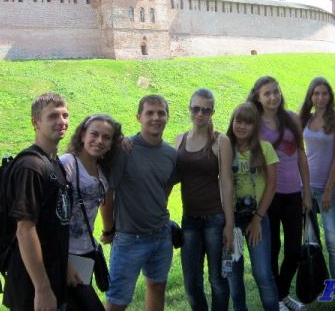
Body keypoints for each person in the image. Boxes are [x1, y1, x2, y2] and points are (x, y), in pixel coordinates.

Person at [100, 94, 177, 311]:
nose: (156, 118)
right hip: (128, 239)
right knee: (117, 300)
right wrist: (108, 230)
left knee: (157, 287)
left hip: (161, 235)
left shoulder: (171, 154)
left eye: (161, 113)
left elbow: (165, 189)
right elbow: (107, 194)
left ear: (167, 117)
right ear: (138, 117)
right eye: (149, 113)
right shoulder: (125, 149)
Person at [3, 92, 74, 311]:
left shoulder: (54, 162)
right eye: (53, 116)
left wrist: (66, 265)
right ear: (35, 122)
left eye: (65, 115)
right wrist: (42, 289)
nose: (61, 121)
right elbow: (25, 229)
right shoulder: (31, 167)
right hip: (32, 288)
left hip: (55, 277)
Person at [247, 76, 312, 311]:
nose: (273, 97)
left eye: (276, 91)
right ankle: (278, 299)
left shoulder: (292, 118)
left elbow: (301, 154)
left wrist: (306, 192)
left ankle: (281, 293)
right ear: (258, 97)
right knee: (272, 249)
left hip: (293, 193)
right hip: (268, 196)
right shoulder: (254, 123)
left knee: (294, 251)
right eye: (267, 93)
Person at [175, 88, 234, 311]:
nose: (200, 114)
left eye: (206, 110)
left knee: (218, 280)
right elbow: (171, 177)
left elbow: (226, 182)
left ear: (212, 113)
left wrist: (229, 224)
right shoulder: (179, 140)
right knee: (191, 284)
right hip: (189, 220)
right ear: (190, 109)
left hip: (215, 220)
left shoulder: (221, 141)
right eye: (196, 109)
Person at [60, 114, 123, 311]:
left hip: (86, 251)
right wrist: (64, 261)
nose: (99, 141)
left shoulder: (101, 168)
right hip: (66, 253)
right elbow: (51, 216)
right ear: (82, 135)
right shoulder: (68, 164)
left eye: (106, 137)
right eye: (94, 134)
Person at [226, 102, 280, 311]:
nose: (242, 126)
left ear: (255, 126)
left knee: (263, 273)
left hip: (257, 218)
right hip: (231, 221)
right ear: (232, 122)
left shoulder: (265, 148)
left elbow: (272, 185)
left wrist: (257, 219)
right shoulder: (224, 147)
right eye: (238, 121)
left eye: (248, 123)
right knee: (233, 275)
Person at [299, 78, 335, 283]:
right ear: (310, 96)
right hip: (305, 187)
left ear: (330, 96)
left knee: (333, 241)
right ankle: (315, 284)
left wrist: (328, 190)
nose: (320, 98)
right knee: (310, 240)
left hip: (327, 189)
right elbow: (301, 153)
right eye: (316, 93)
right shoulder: (305, 119)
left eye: (324, 93)